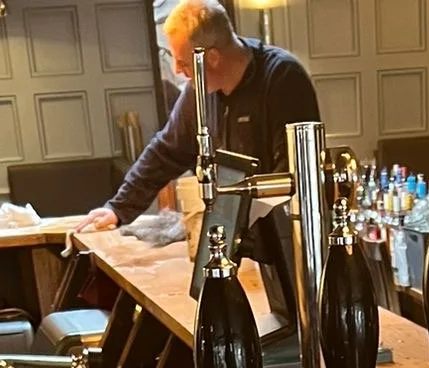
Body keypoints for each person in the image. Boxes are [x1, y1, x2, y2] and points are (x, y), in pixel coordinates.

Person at [76, 0, 319, 234]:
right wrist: (118, 209)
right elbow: (165, 151)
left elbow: (291, 177)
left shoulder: (283, 79)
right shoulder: (199, 90)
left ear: (211, 58)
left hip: (285, 236)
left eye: (183, 62)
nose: (176, 71)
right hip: (234, 229)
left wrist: (247, 230)